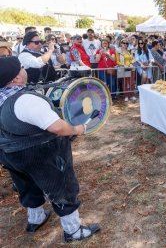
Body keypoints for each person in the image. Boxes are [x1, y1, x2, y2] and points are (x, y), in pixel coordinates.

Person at [0, 56, 100, 242]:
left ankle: (35, 218)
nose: (25, 69)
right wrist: (77, 129)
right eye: (21, 67)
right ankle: (73, 230)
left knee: (27, 184)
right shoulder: (25, 100)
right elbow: (57, 127)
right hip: (39, 154)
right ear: (16, 79)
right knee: (61, 186)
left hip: (10, 155)